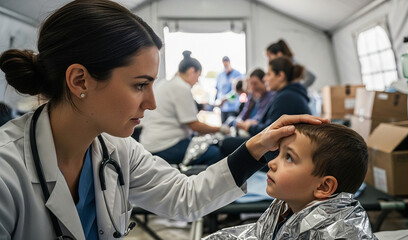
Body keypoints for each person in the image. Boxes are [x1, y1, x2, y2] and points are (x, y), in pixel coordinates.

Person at [0, 1, 329, 239]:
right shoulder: (6, 174)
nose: (152, 102)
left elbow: (186, 197)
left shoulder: (116, 149)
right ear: (80, 81)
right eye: (140, 85)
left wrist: (255, 147)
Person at [204, 123, 377, 240]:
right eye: (279, 153)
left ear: (323, 186)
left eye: (288, 157)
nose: (271, 163)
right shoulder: (285, 208)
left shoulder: (336, 234)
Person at [140, 50, 227, 165]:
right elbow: (194, 125)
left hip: (149, 141)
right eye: (198, 76)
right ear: (192, 71)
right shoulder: (181, 87)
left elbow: (196, 108)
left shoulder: (166, 84)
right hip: (165, 145)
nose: (197, 81)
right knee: (215, 153)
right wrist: (220, 129)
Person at [220, 57, 311, 156]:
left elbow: (271, 132)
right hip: (281, 147)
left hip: (281, 152)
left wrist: (250, 127)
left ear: (280, 75)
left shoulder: (286, 97)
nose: (265, 78)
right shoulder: (285, 94)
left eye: (268, 74)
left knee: (226, 143)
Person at [215, 56, 243, 123]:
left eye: (227, 63)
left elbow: (238, 92)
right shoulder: (220, 75)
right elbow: (217, 89)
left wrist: (226, 99)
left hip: (233, 107)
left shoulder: (237, 74)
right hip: (223, 108)